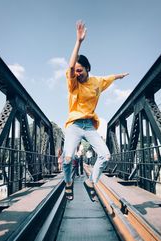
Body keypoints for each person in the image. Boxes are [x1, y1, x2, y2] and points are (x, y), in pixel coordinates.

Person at [63, 21, 129, 201]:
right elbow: (69, 68)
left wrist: (119, 76)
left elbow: (108, 78)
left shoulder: (97, 82)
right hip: (74, 124)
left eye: (80, 70)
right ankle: (68, 183)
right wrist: (79, 42)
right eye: (75, 71)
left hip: (90, 124)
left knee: (106, 155)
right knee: (68, 158)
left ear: (87, 69)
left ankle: (90, 182)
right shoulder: (73, 83)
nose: (77, 73)